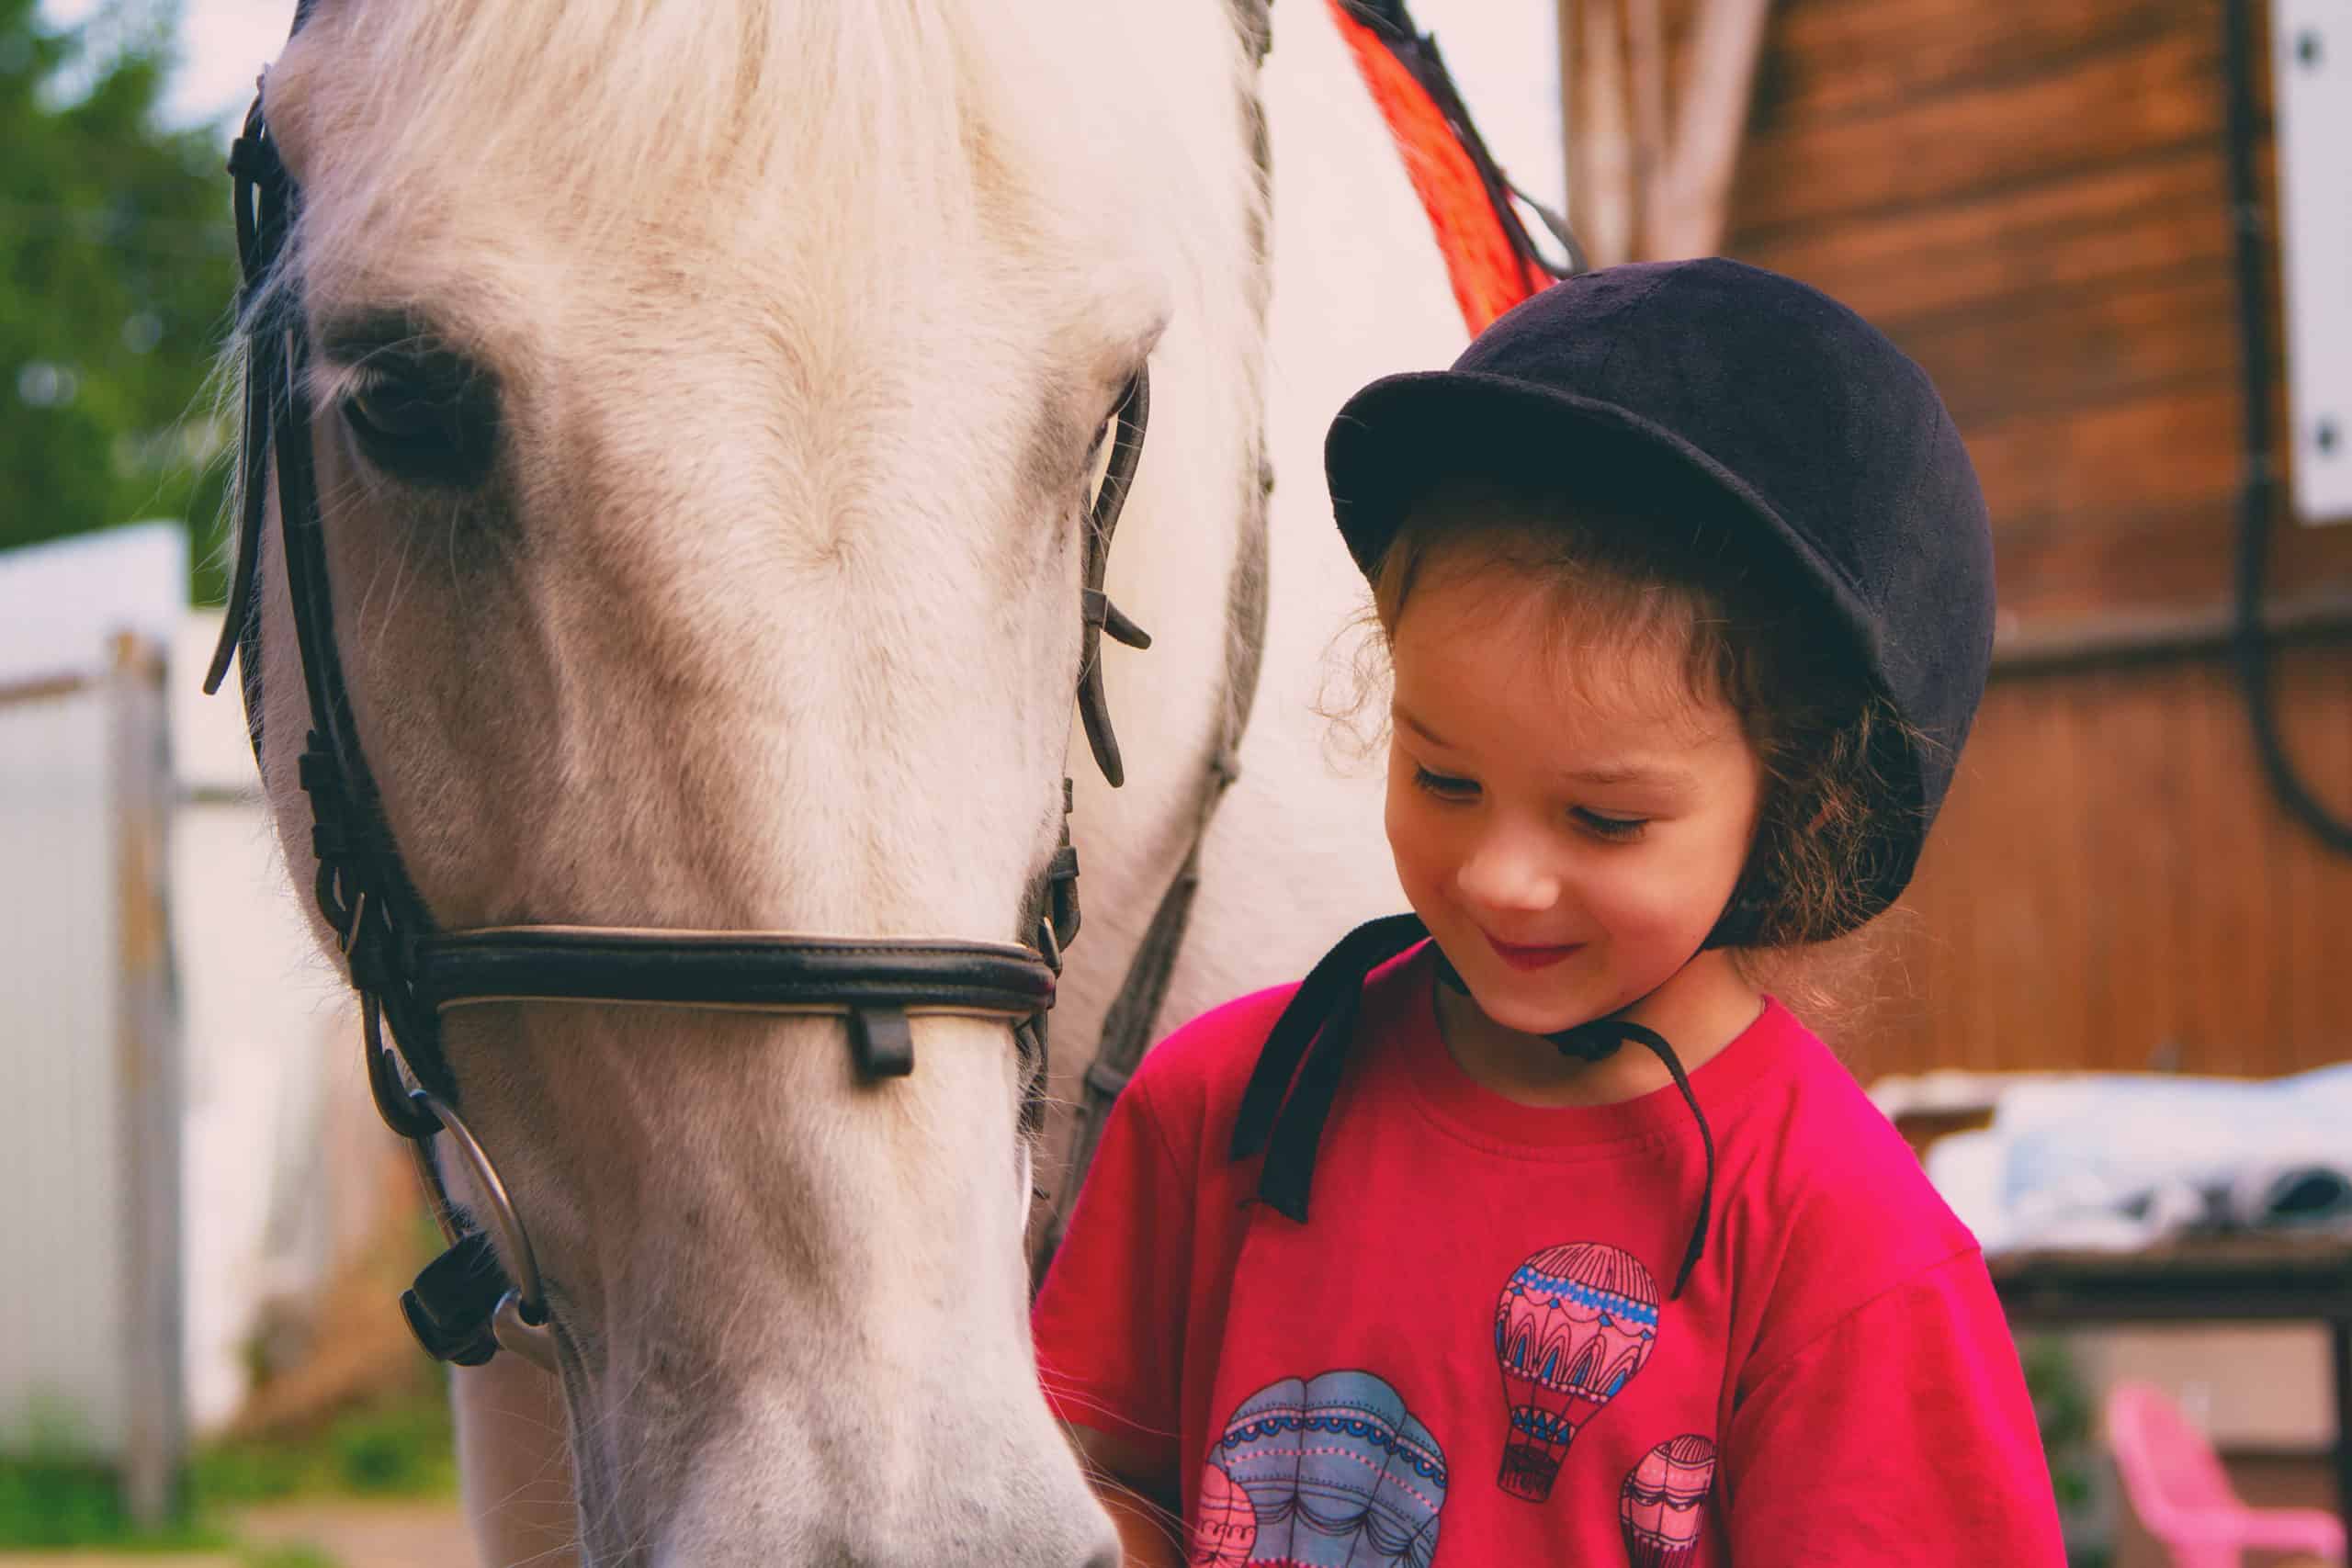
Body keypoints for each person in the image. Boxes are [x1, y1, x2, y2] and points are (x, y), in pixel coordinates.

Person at [1031, 257, 2067, 1565]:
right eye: (1444, 777)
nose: (1499, 877)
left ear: (1801, 809)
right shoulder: (1217, 1113)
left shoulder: (1845, 1253)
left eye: (1604, 819)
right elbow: (1094, 1483)